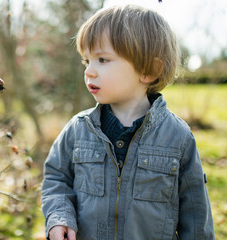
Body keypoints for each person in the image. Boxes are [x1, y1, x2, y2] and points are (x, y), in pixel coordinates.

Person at [41, 4, 215, 240]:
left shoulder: (178, 137)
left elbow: (196, 218)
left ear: (149, 70)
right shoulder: (78, 129)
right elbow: (57, 178)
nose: (89, 71)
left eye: (102, 59)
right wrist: (59, 217)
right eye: (86, 61)